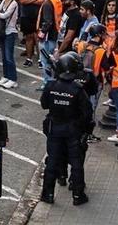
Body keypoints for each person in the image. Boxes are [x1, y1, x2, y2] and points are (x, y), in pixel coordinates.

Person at [40, 53, 93, 206]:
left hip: (54, 128)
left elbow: (44, 104)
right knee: (76, 163)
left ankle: (47, 194)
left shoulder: (51, 86)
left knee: (52, 162)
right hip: (72, 130)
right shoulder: (78, 89)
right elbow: (87, 113)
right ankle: (77, 194)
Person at [0, 0, 20, 88]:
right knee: (4, 56)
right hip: (3, 31)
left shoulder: (13, 3)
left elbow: (5, 15)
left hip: (11, 32)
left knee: (9, 57)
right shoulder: (3, 2)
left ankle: (13, 79)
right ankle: (6, 76)